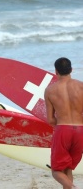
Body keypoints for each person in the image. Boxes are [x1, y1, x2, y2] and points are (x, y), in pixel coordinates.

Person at [44, 57, 83, 189]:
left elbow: (50, 120)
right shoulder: (81, 86)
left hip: (63, 130)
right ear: (71, 69)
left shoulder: (50, 90)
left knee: (56, 170)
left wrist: (61, 121)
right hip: (80, 130)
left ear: (56, 71)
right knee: (67, 168)